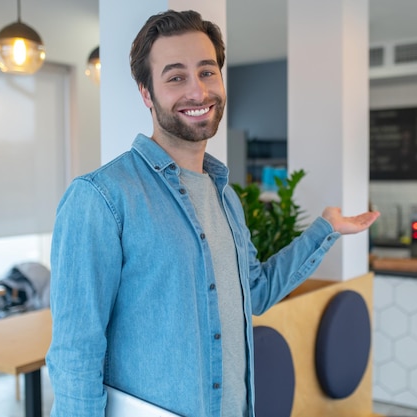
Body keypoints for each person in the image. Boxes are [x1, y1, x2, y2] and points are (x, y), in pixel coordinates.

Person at [45, 9, 379, 417]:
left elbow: (255, 292)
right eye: (175, 77)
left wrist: (325, 229)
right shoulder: (102, 198)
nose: (198, 91)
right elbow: (75, 353)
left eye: (207, 72)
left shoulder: (225, 197)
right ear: (146, 94)